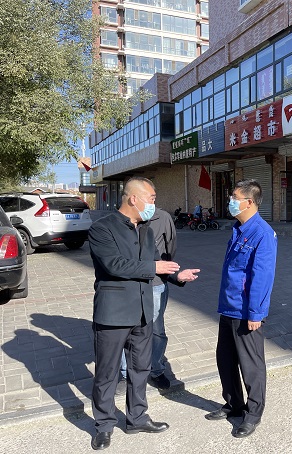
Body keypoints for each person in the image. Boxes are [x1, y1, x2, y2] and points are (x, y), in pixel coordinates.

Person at [88, 177, 199, 451]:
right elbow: (114, 265)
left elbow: (157, 263)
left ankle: (137, 418)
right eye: (151, 198)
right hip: (113, 314)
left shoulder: (146, 230)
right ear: (133, 198)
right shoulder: (102, 228)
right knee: (107, 373)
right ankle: (103, 425)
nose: (154, 204)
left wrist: (177, 276)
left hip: (142, 313)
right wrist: (155, 268)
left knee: (140, 369)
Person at [204, 179, 277, 439]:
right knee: (225, 359)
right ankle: (234, 404)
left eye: (235, 197)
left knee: (251, 364)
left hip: (246, 310)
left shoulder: (262, 233)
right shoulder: (238, 228)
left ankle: (253, 413)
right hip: (229, 306)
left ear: (249, 202)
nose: (230, 201)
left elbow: (262, 276)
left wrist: (256, 313)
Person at [118, 207, 179, 393]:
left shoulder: (163, 217)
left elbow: (170, 247)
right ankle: (125, 374)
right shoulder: (121, 219)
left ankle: (156, 369)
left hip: (156, 283)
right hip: (129, 284)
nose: (151, 202)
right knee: (127, 330)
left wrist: (165, 271)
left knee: (157, 330)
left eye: (153, 197)